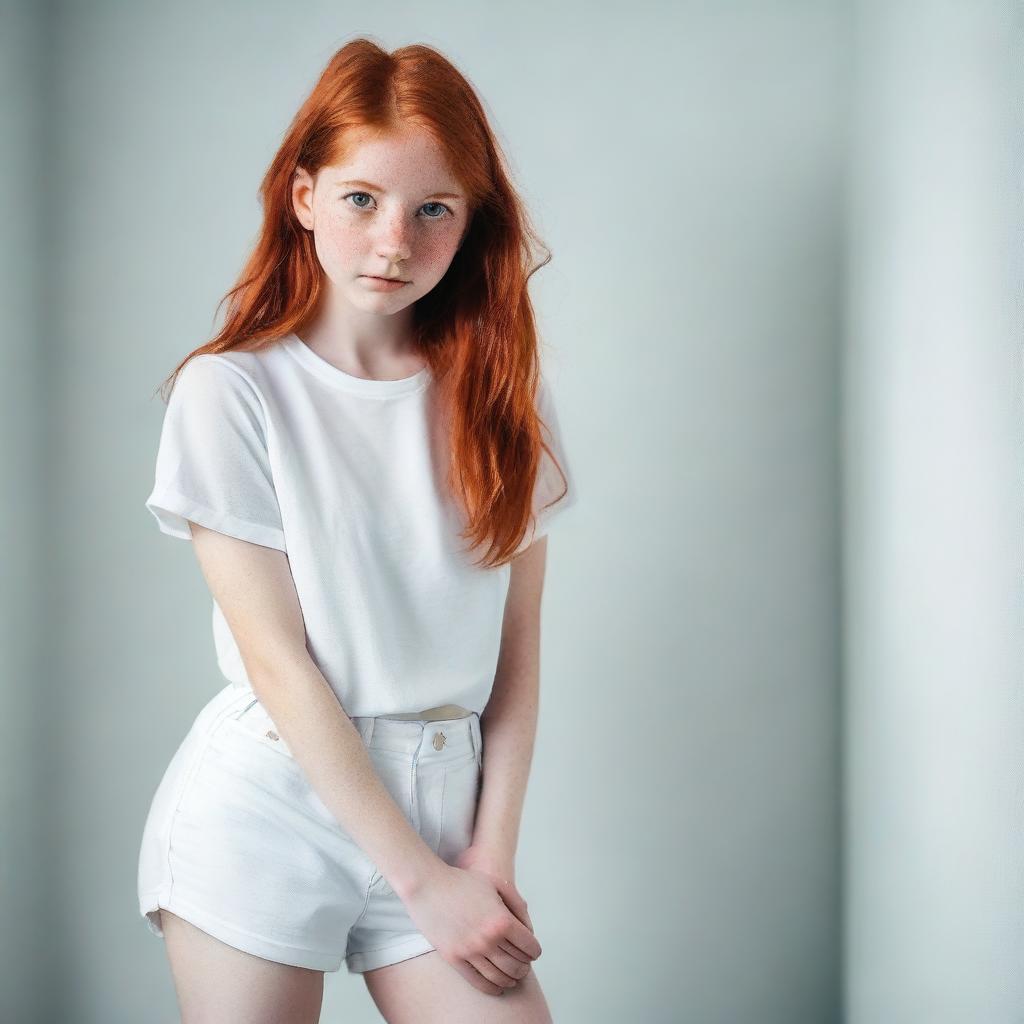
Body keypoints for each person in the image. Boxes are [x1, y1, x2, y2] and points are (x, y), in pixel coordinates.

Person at [136, 37, 577, 1024]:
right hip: (272, 801)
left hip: (447, 805)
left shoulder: (507, 401)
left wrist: (485, 856)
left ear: (472, 222)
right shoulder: (232, 392)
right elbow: (279, 662)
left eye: (434, 209)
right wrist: (420, 878)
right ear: (303, 197)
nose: (394, 241)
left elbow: (517, 659)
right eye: (361, 199)